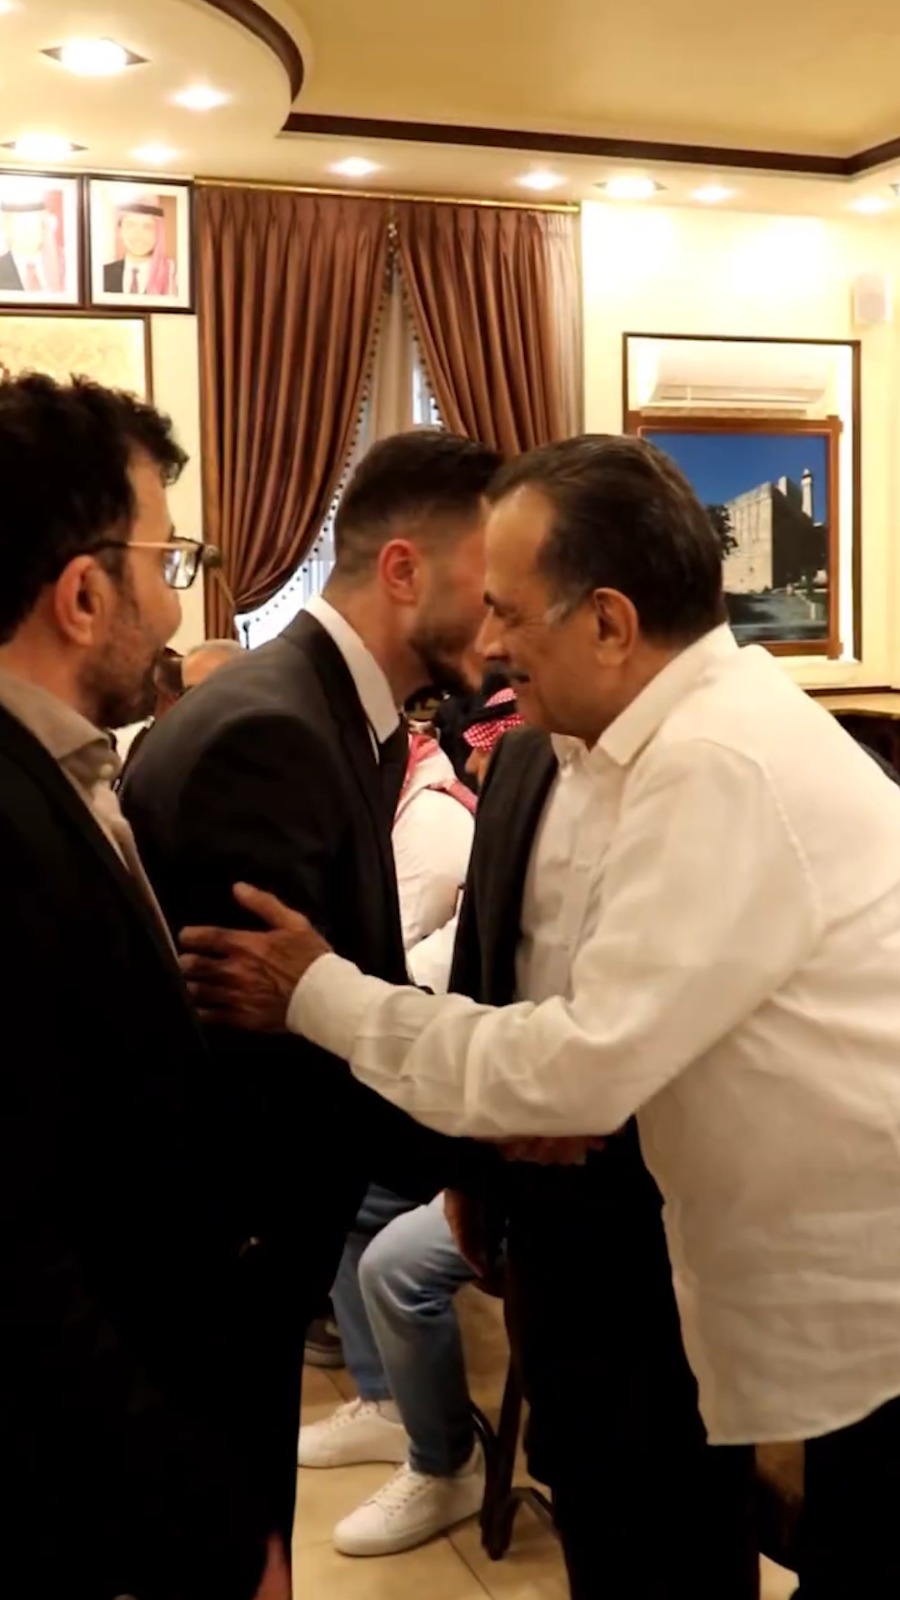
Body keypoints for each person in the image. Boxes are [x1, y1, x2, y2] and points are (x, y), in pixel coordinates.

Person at [181, 433, 900, 1600]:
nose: (493, 643)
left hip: (858, 1274)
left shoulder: (714, 760)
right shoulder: (630, 744)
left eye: (512, 611)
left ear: (610, 622)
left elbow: (578, 1063)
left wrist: (319, 991)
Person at [122, 427, 502, 1549]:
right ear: (404, 570)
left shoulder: (332, 713)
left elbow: (334, 984)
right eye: (490, 584)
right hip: (233, 1248)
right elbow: (277, 1059)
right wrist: (496, 1148)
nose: (503, 620)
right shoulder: (273, 732)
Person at [0, 372, 285, 1599]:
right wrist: (199, 1517)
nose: (175, 608)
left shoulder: (64, 772)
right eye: (168, 564)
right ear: (82, 594)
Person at [302, 707, 521, 1559]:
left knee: (396, 1263)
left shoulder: (433, 821)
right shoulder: (453, 825)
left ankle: (444, 1462)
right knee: (347, 1188)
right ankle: (387, 1399)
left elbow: (406, 964)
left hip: (562, 1154)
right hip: (490, 1108)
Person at [103, 189, 177, 297]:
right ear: (119, 230)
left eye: (147, 226)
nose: (138, 235)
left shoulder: (173, 276)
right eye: (130, 225)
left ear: (158, 232)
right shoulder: (102, 275)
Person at [0, 180, 64, 294]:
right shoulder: (2, 269)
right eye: (22, 222)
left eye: (34, 221)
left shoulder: (62, 267)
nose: (29, 229)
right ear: (7, 227)